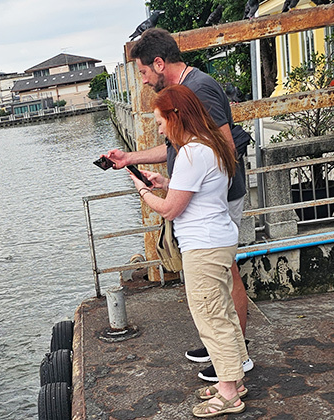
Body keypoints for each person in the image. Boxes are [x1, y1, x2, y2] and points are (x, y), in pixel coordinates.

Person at [104, 27, 253, 382]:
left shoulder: (198, 90)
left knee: (222, 279)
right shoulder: (182, 95)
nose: (142, 81)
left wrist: (189, 193)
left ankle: (236, 356)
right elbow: (180, 149)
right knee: (214, 285)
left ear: (159, 63)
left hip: (215, 204)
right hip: (201, 199)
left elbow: (223, 153)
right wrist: (131, 159)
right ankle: (225, 348)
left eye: (142, 72)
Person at [130, 84, 248, 418]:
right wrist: (165, 182)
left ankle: (228, 394)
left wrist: (142, 189)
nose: (159, 127)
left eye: (161, 120)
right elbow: (198, 190)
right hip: (219, 239)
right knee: (222, 312)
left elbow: (170, 210)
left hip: (204, 246)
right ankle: (234, 380)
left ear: (176, 116)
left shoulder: (192, 153)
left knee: (211, 317)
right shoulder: (211, 145)